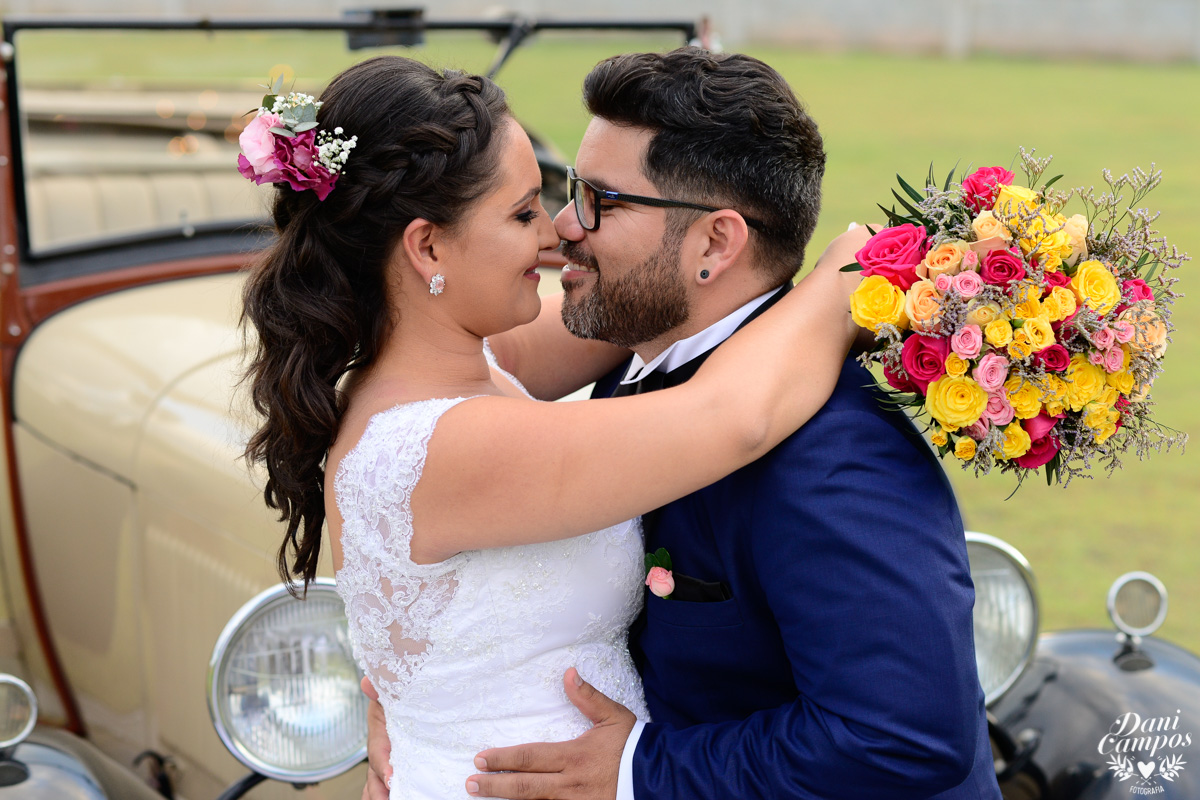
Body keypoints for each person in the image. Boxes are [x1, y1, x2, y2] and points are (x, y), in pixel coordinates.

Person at [361, 48, 1002, 800]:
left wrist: (641, 771)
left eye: (601, 199)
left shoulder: (836, 455)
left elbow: (905, 736)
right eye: (571, 190)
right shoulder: (627, 347)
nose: (565, 226)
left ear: (714, 243)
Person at [239, 55, 866, 800]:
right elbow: (733, 416)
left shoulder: (448, 359)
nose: (558, 234)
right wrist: (856, 275)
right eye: (522, 213)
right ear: (427, 247)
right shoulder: (446, 446)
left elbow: (655, 300)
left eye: (564, 200)